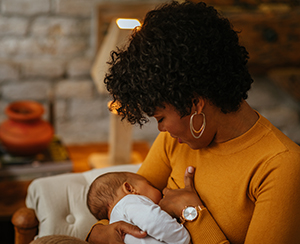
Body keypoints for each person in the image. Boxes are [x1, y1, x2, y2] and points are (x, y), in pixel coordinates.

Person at [87, 1, 300, 244]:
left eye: (161, 118)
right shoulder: (175, 141)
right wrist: (97, 232)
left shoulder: (282, 167)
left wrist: (193, 214)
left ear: (194, 104)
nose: (161, 129)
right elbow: (123, 199)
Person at [86, 172, 190, 244]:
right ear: (129, 188)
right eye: (150, 185)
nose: (161, 192)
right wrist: (182, 238)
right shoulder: (128, 201)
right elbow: (154, 220)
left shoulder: (114, 226)